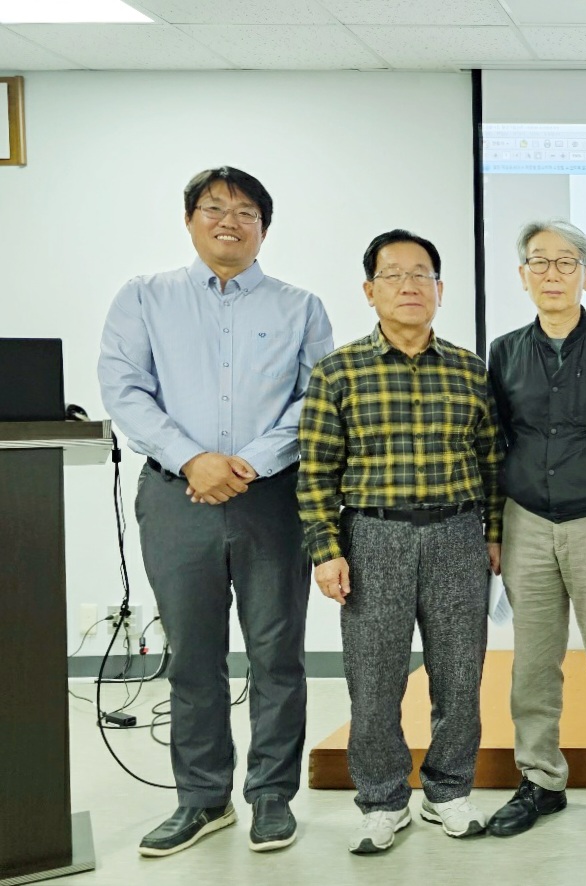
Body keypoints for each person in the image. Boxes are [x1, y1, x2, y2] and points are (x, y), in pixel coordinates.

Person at [99, 166, 332, 857]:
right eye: (214, 207)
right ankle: (202, 799)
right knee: (193, 658)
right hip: (178, 497)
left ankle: (271, 797)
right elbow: (125, 387)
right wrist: (192, 459)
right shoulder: (145, 297)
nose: (230, 221)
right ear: (189, 219)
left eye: (246, 212)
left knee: (277, 656)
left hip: (273, 500)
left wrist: (247, 463)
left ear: (264, 227)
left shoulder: (300, 307)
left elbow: (316, 398)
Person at [297, 229, 504, 855]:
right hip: (373, 536)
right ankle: (383, 799)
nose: (409, 285)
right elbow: (316, 470)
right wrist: (325, 550)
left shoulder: (470, 369)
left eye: (422, 274)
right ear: (370, 290)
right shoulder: (337, 371)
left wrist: (494, 535)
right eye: (393, 274)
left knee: (460, 675)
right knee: (374, 680)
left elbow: (492, 462)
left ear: (440, 289)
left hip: (458, 534)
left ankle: (448, 790)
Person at [486, 220, 586, 840]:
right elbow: (496, 441)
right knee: (533, 662)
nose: (552, 274)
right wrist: (494, 530)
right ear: (522, 275)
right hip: (526, 519)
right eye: (539, 262)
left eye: (565, 262)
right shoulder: (504, 351)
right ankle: (540, 779)